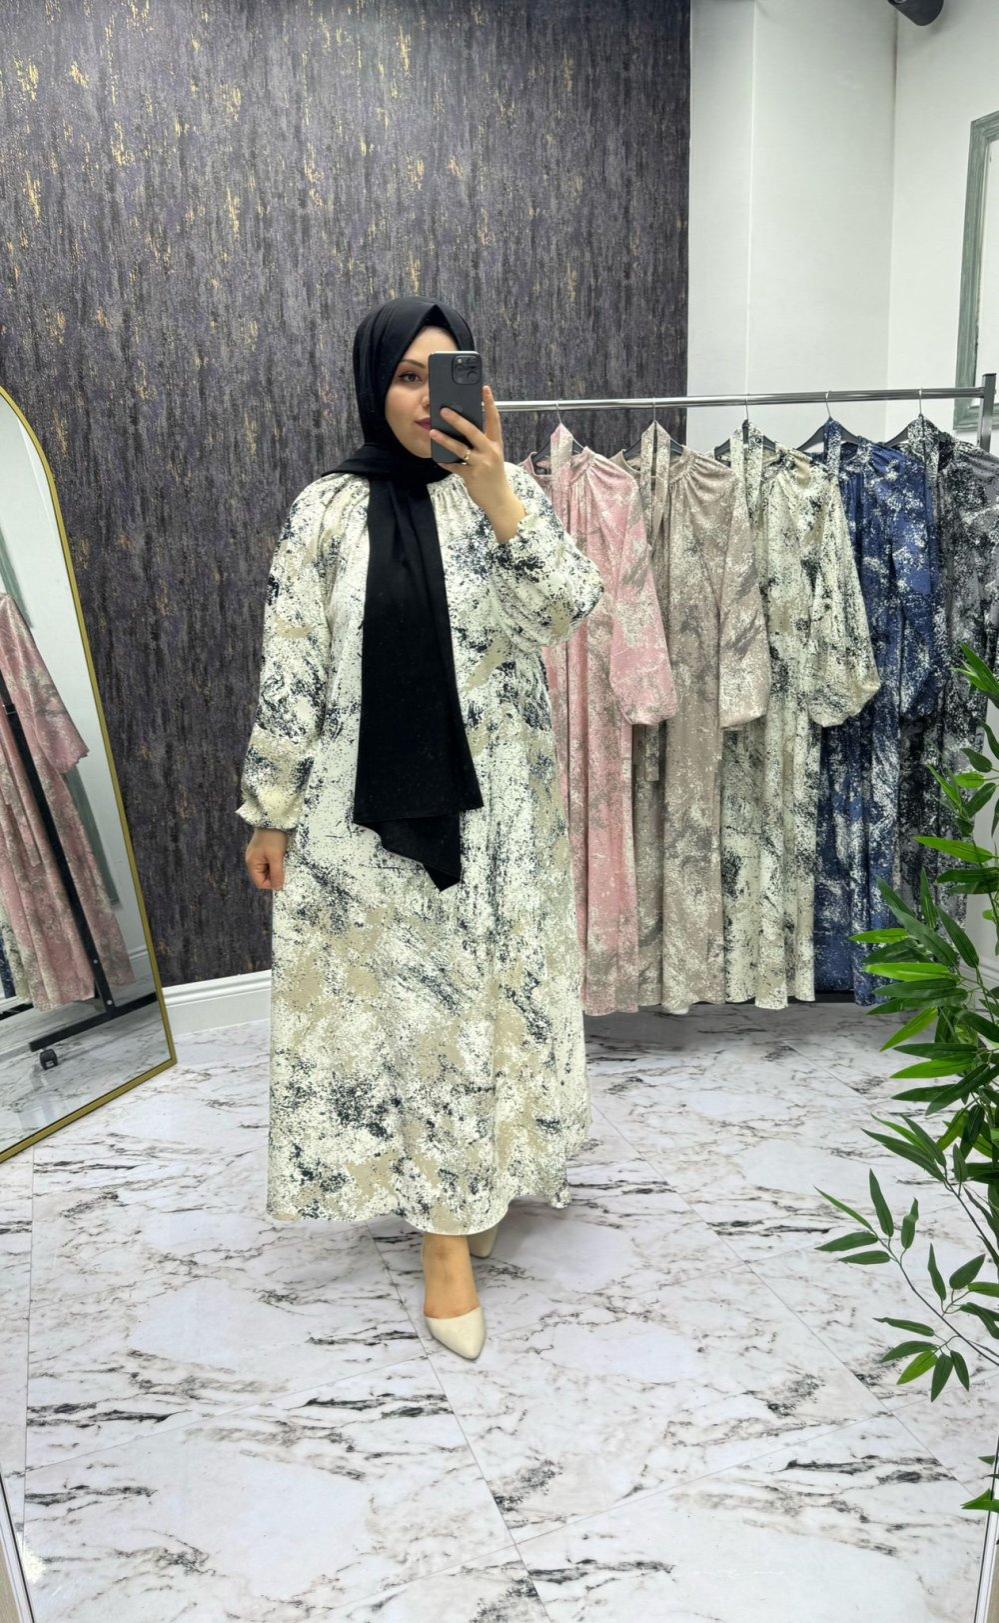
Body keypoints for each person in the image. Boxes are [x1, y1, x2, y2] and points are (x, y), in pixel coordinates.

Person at [238, 295, 605, 1360]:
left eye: (442, 375)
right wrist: (269, 811)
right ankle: (445, 1243)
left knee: (486, 1011)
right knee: (415, 1024)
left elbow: (570, 609)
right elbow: (292, 671)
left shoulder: (506, 493)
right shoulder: (325, 512)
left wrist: (499, 496)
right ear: (373, 385)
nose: (422, 397)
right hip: (365, 831)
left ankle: (475, 1183)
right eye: (404, 376)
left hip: (499, 826)